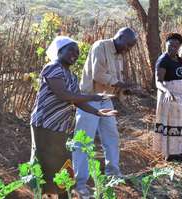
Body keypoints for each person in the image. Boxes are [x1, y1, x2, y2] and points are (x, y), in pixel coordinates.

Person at [30, 36, 117, 199]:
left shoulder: (71, 76)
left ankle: (63, 194)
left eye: (77, 52)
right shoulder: (52, 68)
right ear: (60, 51)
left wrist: (98, 113)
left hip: (60, 126)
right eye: (71, 50)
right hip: (44, 124)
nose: (75, 54)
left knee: (62, 162)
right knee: (43, 161)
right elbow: (64, 95)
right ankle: (41, 194)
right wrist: (93, 97)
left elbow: (76, 100)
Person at [72, 27, 138, 198]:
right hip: (88, 99)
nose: (128, 50)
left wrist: (124, 90)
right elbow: (98, 74)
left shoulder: (119, 54)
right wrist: (120, 84)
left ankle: (113, 174)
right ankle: (80, 184)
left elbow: (114, 81)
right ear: (121, 37)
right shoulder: (100, 46)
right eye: (128, 45)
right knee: (84, 141)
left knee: (111, 137)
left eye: (131, 47)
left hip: (105, 99)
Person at [153, 33, 182, 162]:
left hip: (180, 96)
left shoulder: (179, 59)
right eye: (170, 46)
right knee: (170, 123)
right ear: (166, 45)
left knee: (179, 122)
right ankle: (170, 153)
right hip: (169, 96)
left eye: (175, 46)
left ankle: (178, 151)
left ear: (179, 47)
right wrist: (166, 91)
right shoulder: (163, 60)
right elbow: (158, 81)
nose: (172, 49)